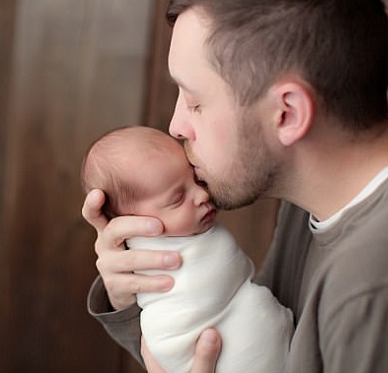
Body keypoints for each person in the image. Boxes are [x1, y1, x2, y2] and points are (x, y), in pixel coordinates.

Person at [83, 0, 388, 372]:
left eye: (195, 101)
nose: (175, 126)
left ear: (287, 114)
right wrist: (138, 293)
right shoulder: (319, 193)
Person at [82, 126, 293, 373]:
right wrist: (121, 303)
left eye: (195, 179)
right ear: (133, 222)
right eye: (177, 199)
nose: (202, 194)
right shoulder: (151, 259)